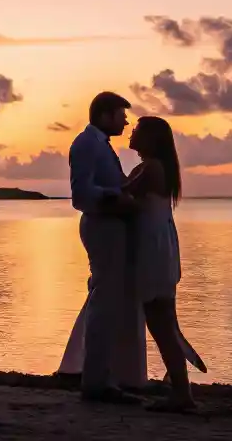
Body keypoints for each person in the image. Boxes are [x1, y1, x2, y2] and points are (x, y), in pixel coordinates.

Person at [65, 91, 147, 404]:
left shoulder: (101, 145)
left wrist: (127, 187)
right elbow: (82, 194)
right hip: (102, 226)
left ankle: (105, 374)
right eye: (121, 115)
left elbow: (105, 185)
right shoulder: (86, 143)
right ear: (104, 115)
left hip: (111, 225)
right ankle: (96, 380)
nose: (126, 121)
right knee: (104, 303)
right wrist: (119, 198)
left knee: (111, 302)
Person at [125, 115, 204, 411]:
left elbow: (121, 193)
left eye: (138, 129)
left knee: (159, 323)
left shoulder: (151, 168)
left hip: (153, 249)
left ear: (151, 138)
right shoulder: (159, 168)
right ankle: (177, 380)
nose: (131, 132)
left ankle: (182, 394)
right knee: (166, 320)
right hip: (162, 245)